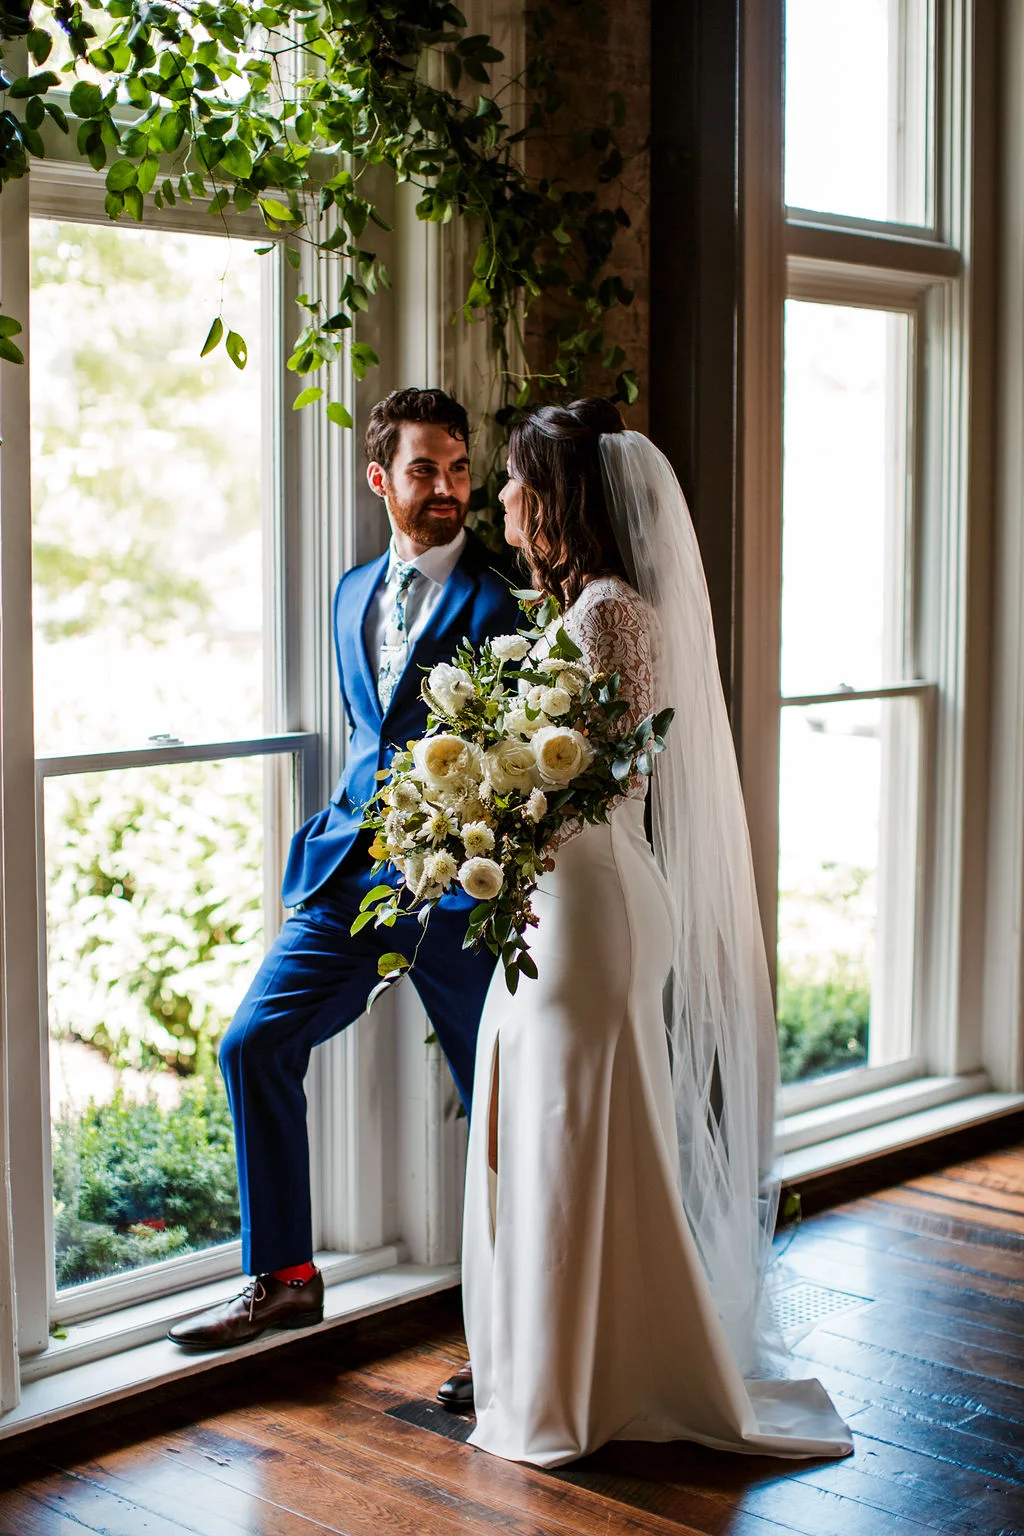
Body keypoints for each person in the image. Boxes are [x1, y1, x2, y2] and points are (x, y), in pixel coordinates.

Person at [459, 398, 854, 1465]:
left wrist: (486, 809)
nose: (502, 494)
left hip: (595, 903)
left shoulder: (609, 615)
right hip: (565, 898)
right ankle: (568, 1369)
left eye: (515, 477)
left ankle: (601, 1379)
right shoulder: (581, 608)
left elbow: (600, 778)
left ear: (557, 496)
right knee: (561, 1128)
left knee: (580, 1130)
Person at [167, 388, 520, 1360]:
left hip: (462, 892)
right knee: (252, 1044)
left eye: (458, 468)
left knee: (502, 1098)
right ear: (379, 478)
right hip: (352, 875)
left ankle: (521, 1333)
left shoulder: (503, 599)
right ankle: (285, 1280)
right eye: (424, 469)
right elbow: (371, 734)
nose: (446, 487)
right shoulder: (349, 589)